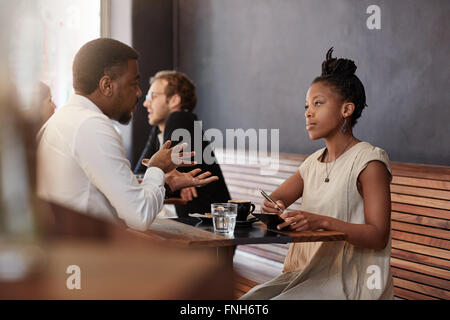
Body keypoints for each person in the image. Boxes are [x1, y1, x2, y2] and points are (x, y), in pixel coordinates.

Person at [241, 48, 393, 300]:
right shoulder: (312, 163)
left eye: (318, 103)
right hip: (305, 274)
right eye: (307, 106)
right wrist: (275, 207)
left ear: (347, 109)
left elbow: (377, 236)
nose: (308, 112)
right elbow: (272, 202)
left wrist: (320, 221)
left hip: (352, 281)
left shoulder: (370, 161)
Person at [37, 38, 218, 231]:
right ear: (107, 85)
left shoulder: (62, 120)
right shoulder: (92, 125)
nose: (140, 93)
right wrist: (157, 167)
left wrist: (165, 185)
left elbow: (116, 198)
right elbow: (139, 216)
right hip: (92, 255)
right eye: (134, 83)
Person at [134, 71, 231, 217]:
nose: (146, 103)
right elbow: (140, 174)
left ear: (174, 100)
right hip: (188, 218)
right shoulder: (157, 131)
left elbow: (152, 173)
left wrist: (167, 172)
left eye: (153, 96)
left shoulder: (181, 117)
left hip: (207, 222)